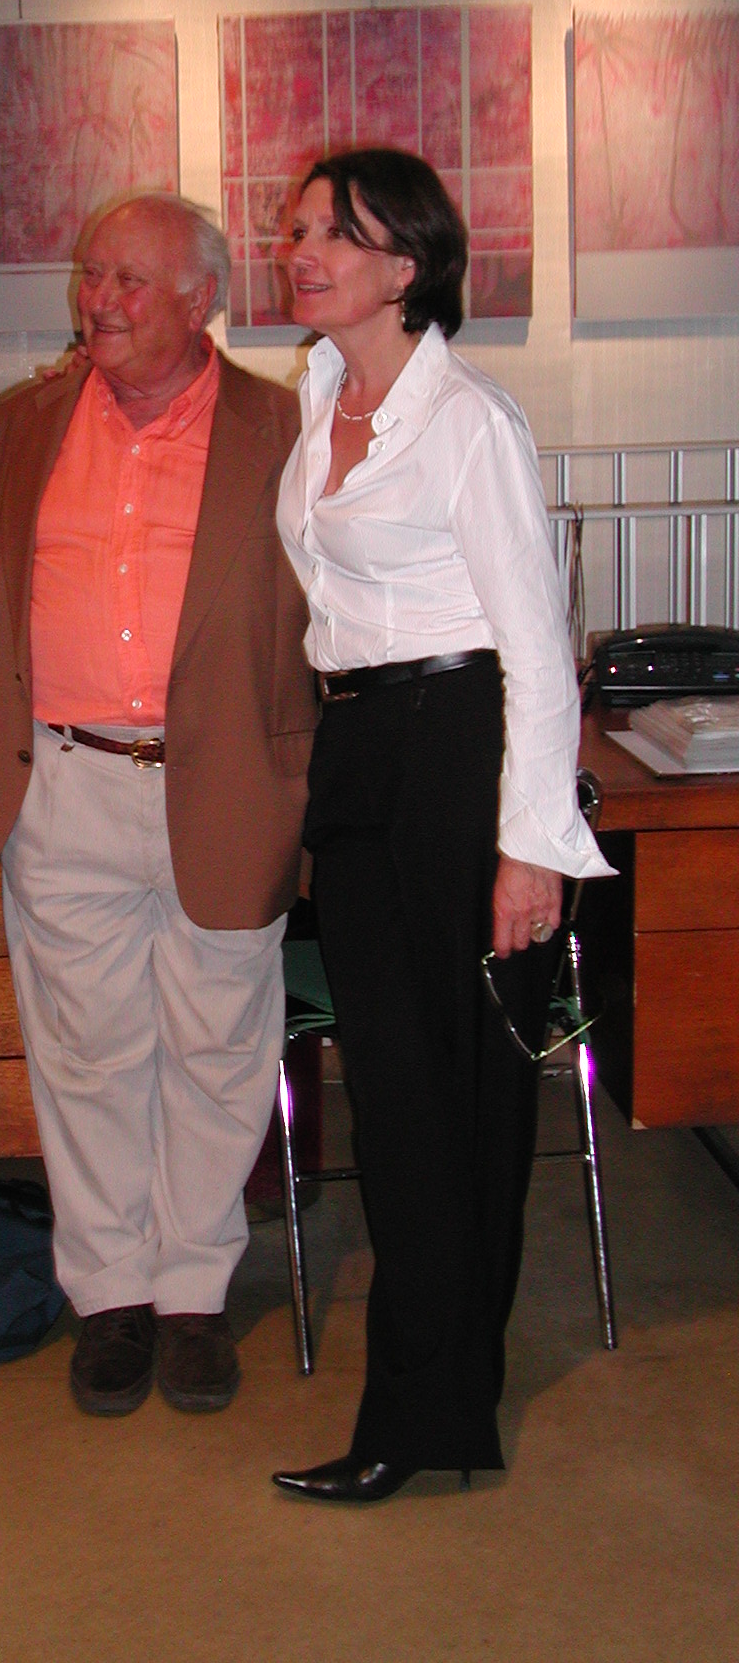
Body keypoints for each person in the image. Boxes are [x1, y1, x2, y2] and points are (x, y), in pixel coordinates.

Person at [271, 146, 612, 1505]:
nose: (302, 253)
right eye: (299, 229)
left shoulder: (467, 419)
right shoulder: (321, 391)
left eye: (336, 236)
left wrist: (531, 848)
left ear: (406, 268)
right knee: (398, 1091)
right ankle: (438, 1402)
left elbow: (538, 647)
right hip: (362, 749)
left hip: (459, 752)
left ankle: (422, 1414)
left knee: (447, 1099)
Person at [0, 193, 317, 1419]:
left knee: (219, 1049)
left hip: (226, 782)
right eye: (91, 274)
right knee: (86, 1051)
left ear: (201, 299)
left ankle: (194, 1291)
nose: (98, 300)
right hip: (63, 782)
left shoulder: (285, 429)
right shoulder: (17, 426)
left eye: (129, 280)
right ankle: (110, 1289)